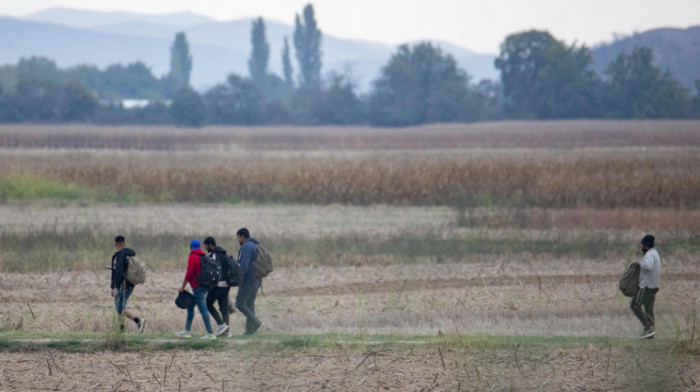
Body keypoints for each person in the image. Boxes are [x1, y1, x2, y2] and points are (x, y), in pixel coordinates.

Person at [175, 239, 216, 340]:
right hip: (204, 285)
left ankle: (210, 333)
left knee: (203, 309)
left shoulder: (193, 257)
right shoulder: (203, 256)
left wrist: (182, 287)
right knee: (190, 306)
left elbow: (189, 273)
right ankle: (187, 331)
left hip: (198, 287)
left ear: (191, 246)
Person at [110, 235, 146, 333]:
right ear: (124, 244)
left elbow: (117, 272)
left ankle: (138, 321)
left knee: (120, 309)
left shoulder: (119, 256)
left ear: (115, 244)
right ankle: (121, 330)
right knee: (120, 308)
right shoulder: (128, 253)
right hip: (130, 285)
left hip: (122, 285)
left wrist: (114, 286)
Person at [235, 228, 265, 335]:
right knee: (249, 304)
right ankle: (249, 331)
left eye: (238, 238)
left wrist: (239, 278)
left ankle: (257, 322)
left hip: (249, 279)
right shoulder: (253, 245)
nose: (238, 240)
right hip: (256, 279)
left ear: (242, 236)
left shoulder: (247, 246)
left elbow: (244, 265)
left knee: (239, 303)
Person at [631, 234, 661, 339]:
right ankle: (651, 333)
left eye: (643, 245)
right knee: (649, 309)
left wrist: (639, 263)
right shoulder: (655, 253)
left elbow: (648, 267)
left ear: (646, 245)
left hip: (646, 287)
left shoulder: (649, 254)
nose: (642, 247)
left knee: (635, 305)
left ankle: (648, 327)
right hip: (654, 286)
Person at [203, 236, 231, 337]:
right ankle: (226, 332)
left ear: (211, 245)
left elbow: (215, 270)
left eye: (206, 246)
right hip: (227, 285)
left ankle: (221, 325)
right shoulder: (224, 254)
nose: (205, 248)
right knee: (223, 307)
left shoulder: (214, 255)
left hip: (219, 284)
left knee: (208, 303)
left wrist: (211, 283)